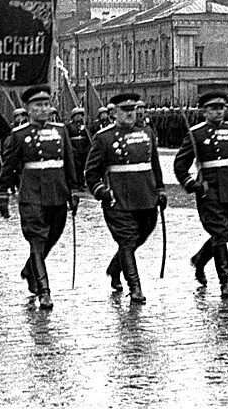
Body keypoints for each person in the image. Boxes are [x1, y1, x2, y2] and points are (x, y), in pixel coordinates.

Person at [0, 85, 78, 309]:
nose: (43, 109)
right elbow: (8, 167)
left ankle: (30, 268)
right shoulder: (19, 135)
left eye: (46, 104)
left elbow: (69, 164)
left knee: (53, 236)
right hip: (32, 195)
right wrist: (1, 195)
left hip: (57, 194)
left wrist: (74, 190)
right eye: (38, 105)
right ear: (27, 109)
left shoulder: (61, 131)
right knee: (37, 241)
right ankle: (44, 291)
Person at [85, 92, 165, 303]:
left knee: (142, 235)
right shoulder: (104, 137)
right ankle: (135, 288)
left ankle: (115, 267)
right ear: (115, 113)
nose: (130, 114)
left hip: (146, 197)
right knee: (127, 241)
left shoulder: (147, 133)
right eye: (125, 111)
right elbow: (91, 173)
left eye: (133, 110)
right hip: (118, 199)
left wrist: (161, 189)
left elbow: (154, 164)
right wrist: (102, 191)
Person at [173, 91, 228, 299]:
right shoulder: (196, 133)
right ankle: (226, 283)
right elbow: (180, 165)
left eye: (221, 108)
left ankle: (200, 260)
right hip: (210, 190)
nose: (219, 111)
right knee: (219, 234)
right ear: (204, 112)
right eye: (213, 108)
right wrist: (192, 184)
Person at [66, 107, 91, 189]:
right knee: (77, 167)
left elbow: (87, 137)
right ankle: (77, 183)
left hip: (83, 148)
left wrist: (88, 148)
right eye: (77, 115)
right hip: (74, 148)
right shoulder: (69, 126)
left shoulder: (84, 126)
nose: (79, 117)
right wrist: (71, 148)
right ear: (73, 117)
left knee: (84, 166)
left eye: (80, 115)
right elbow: (68, 138)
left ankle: (82, 182)